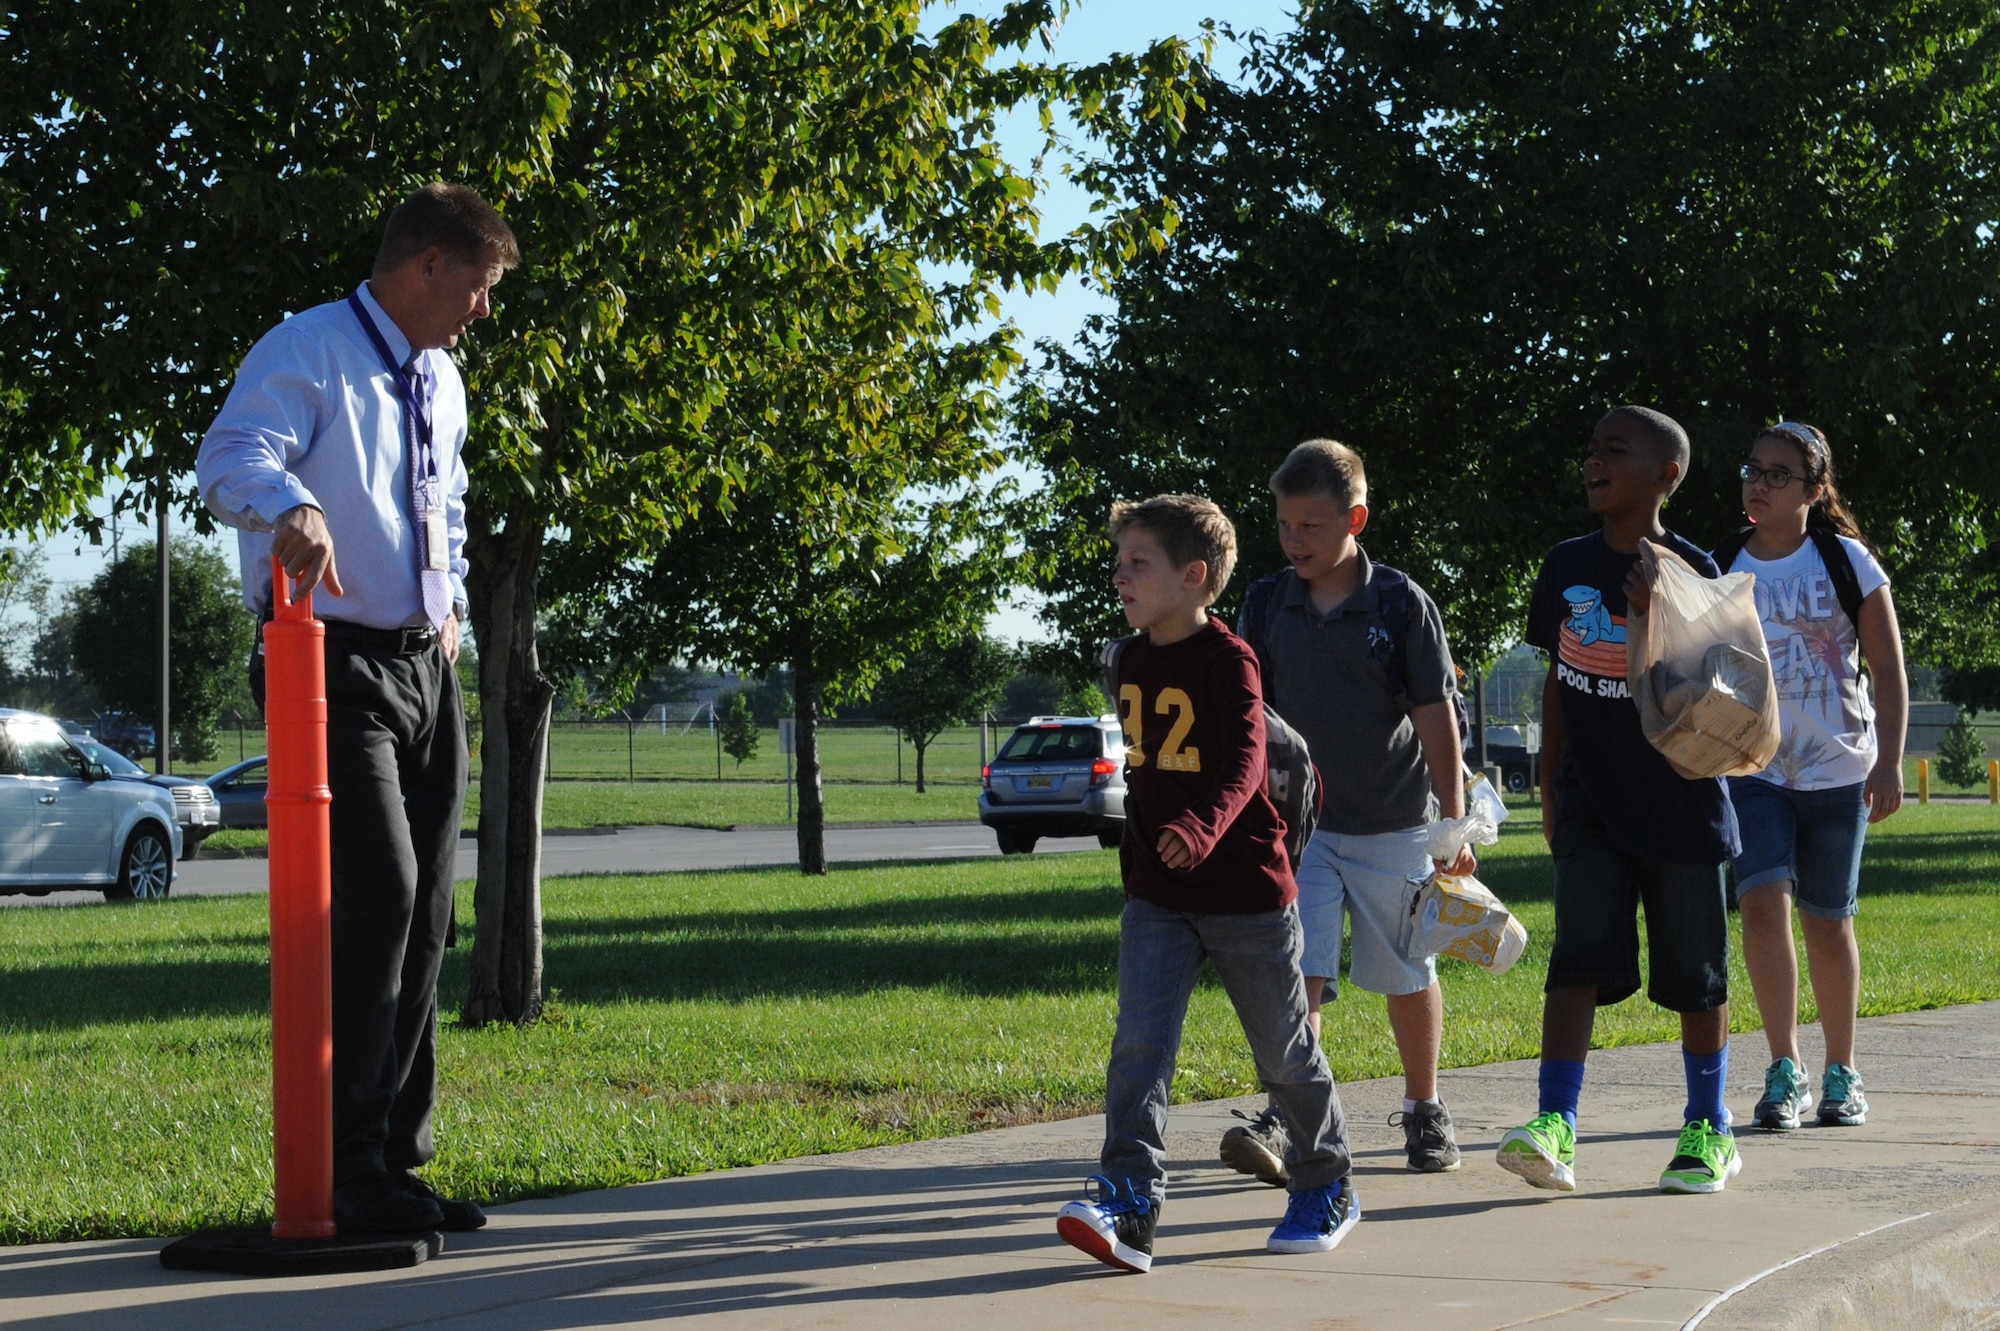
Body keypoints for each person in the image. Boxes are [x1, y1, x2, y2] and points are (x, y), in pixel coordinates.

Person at [196, 182, 518, 1234]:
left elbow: (447, 503)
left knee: (429, 911)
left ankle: (397, 1161)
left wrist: (456, 604)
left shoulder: (443, 380)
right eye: (477, 287)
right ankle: (345, 1163)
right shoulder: (311, 349)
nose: (482, 310)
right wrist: (290, 506)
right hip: (331, 666)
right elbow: (230, 455)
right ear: (427, 264)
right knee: (377, 894)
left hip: (428, 665)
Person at [1056, 494, 1359, 1273]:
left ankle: (1326, 1180)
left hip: (1248, 893)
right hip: (1159, 896)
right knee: (1139, 1050)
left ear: (1194, 577)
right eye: (1119, 560)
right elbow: (1147, 765)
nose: (1119, 574)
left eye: (1138, 562)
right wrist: (1146, 854)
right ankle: (1130, 1201)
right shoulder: (1128, 657)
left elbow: (1244, 761)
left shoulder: (1230, 659)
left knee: (1284, 1053)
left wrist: (1200, 827)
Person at [1497, 406, 1744, 1195]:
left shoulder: (1696, 568)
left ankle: (1709, 1124)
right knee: (1578, 957)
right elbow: (1560, 674)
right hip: (1590, 802)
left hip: (1681, 804)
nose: (1593, 460)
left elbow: (1720, 695)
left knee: (1693, 973)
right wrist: (1549, 774)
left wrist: (1657, 606)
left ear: (1666, 474)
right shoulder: (1566, 563)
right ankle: (1555, 1123)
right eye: (1591, 447)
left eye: (1615, 449)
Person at [1217, 439, 1473, 1183]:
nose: (1295, 540)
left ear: (1355, 518)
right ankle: (1290, 1115)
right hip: (1302, 828)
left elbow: (1435, 715)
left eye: (1314, 526)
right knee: (1302, 973)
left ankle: (1425, 1109)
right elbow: (1249, 708)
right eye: (1285, 524)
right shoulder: (1267, 600)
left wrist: (1449, 821)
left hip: (1394, 822)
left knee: (1406, 971)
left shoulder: (1398, 602)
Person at [1714, 422, 1906, 1130]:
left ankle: (1842, 1070)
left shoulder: (1845, 559)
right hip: (1753, 767)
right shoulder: (1722, 560)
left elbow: (1887, 669)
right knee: (1763, 903)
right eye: (1752, 469)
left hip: (1839, 770)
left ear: (1815, 491)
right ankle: (1784, 1067)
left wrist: (1888, 760)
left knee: (1829, 921)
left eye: (1778, 474)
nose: (1758, 484)